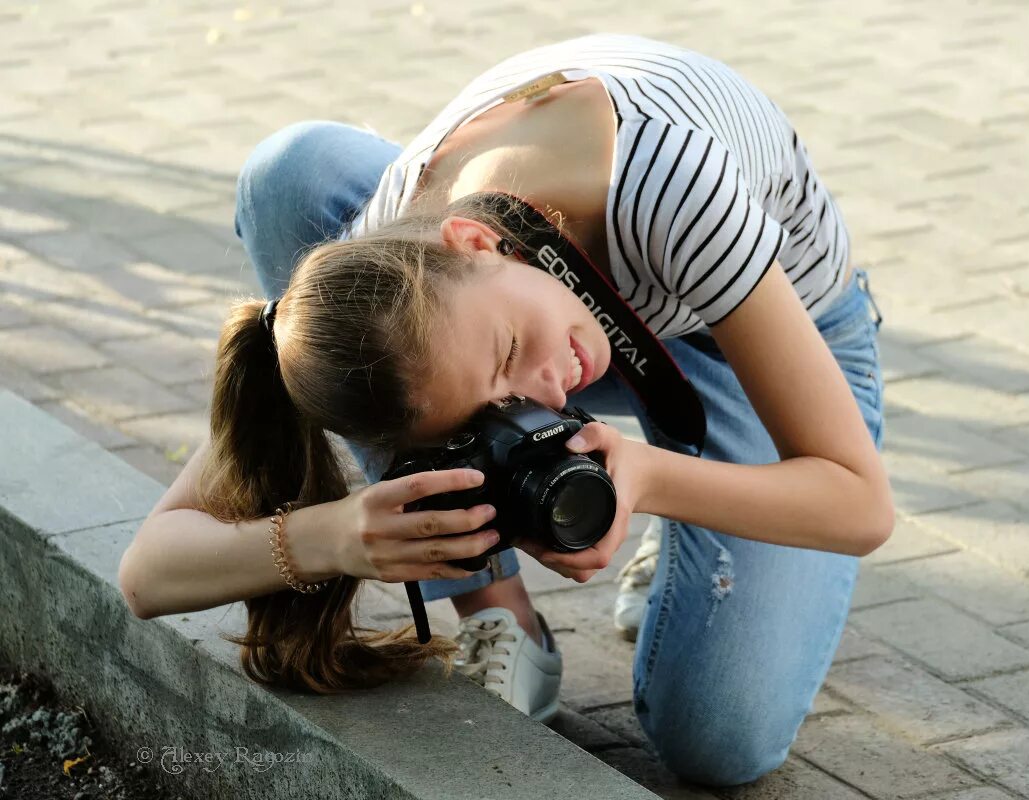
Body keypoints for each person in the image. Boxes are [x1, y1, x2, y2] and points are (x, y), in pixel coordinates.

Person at [117, 32, 893, 787]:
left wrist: (651, 481)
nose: (550, 396)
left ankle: (702, 509)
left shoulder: (671, 182)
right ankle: (504, 618)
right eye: (494, 412)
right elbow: (150, 575)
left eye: (509, 351)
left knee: (719, 742)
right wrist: (341, 535)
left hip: (749, 334)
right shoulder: (397, 289)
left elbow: (858, 505)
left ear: (474, 242)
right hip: (570, 301)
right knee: (298, 199)